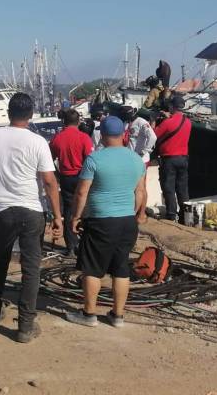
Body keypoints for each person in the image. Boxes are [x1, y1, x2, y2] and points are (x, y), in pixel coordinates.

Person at [0, 92, 63, 343]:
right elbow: (50, 181)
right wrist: (58, 216)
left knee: (0, 263)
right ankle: (25, 326)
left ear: (8, 113)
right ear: (30, 116)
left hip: (3, 211)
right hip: (32, 211)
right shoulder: (38, 141)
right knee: (31, 268)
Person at [67, 116, 147, 328]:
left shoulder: (95, 159)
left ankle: (89, 314)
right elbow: (140, 191)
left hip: (101, 220)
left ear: (101, 135)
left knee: (92, 267)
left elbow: (82, 191)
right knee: (121, 267)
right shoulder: (136, 159)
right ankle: (117, 316)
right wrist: (137, 214)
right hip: (126, 221)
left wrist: (76, 217)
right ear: (124, 134)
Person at [49, 109, 93, 256]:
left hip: (66, 177)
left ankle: (71, 246)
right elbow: (90, 159)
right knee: (84, 209)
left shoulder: (57, 138)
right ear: (78, 121)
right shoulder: (84, 137)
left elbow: (48, 159)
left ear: (64, 122)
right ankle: (84, 244)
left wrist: (56, 172)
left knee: (68, 210)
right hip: (82, 176)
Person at [154, 96, 191, 222]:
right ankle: (185, 216)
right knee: (182, 188)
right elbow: (176, 123)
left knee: (169, 187)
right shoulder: (188, 122)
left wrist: (154, 120)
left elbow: (154, 135)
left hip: (169, 159)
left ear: (171, 107)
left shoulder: (168, 122)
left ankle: (171, 215)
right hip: (184, 158)